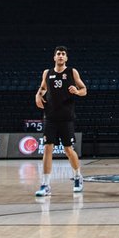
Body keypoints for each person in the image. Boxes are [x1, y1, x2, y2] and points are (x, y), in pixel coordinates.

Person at [33, 46, 87, 197]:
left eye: (63, 54)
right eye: (58, 54)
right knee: (47, 148)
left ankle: (78, 177)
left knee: (68, 150)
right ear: (54, 57)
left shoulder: (72, 72)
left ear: (66, 58)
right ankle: (45, 184)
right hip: (50, 117)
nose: (61, 56)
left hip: (66, 117)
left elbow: (84, 89)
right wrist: (38, 95)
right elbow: (42, 89)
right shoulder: (47, 73)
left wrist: (77, 91)